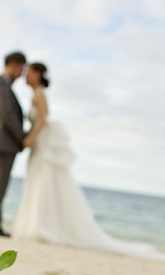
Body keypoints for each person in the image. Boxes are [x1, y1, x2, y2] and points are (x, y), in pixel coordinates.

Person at [12, 62, 141, 253]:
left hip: (41, 145)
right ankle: (34, 225)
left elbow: (43, 120)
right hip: (39, 146)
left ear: (38, 74)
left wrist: (29, 138)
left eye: (28, 72)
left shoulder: (40, 95)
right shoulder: (36, 95)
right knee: (37, 183)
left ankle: (39, 226)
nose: (25, 76)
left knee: (42, 183)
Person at [0, 51, 27, 237]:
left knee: (0, 183)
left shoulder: (4, 86)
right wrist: (22, 137)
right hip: (4, 142)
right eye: (21, 69)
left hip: (5, 142)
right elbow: (8, 115)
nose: (21, 74)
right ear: (12, 64)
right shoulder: (0, 85)